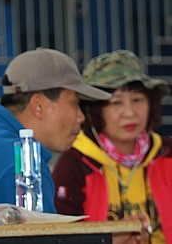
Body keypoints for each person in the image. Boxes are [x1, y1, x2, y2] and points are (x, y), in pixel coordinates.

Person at [0, 47, 111, 220]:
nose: (81, 117)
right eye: (74, 103)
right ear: (38, 105)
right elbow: (46, 235)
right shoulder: (22, 161)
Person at [53, 49, 171, 244]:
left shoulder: (167, 154)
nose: (129, 113)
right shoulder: (75, 165)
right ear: (93, 110)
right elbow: (62, 238)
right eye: (116, 103)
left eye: (137, 100)